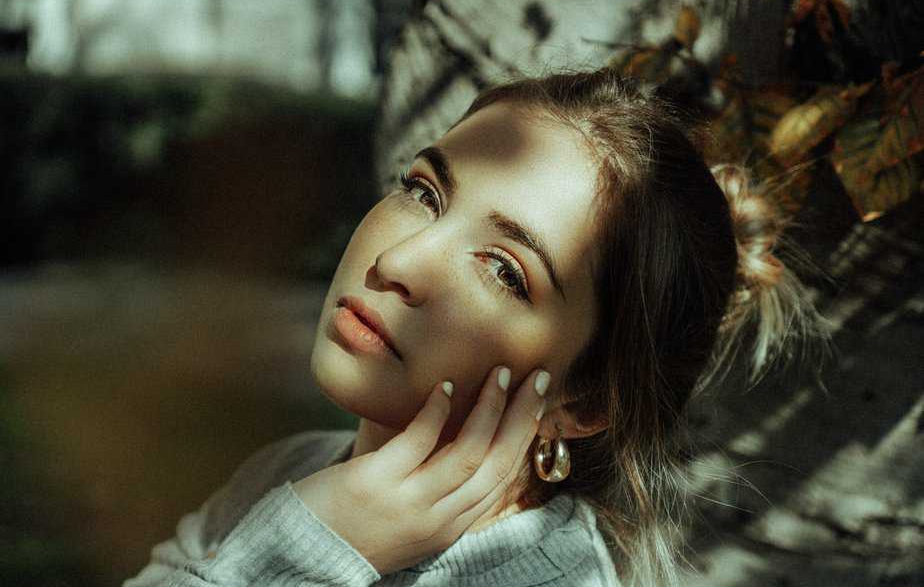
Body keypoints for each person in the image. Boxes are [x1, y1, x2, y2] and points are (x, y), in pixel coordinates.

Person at [125, 66, 830, 587]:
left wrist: (306, 550)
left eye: (504, 270)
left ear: (585, 402)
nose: (399, 260)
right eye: (423, 192)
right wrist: (326, 532)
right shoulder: (292, 472)